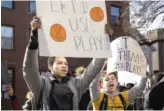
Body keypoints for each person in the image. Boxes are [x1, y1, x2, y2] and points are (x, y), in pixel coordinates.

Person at [22, 16, 106, 110]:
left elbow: (93, 70)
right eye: (59, 63)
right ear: (50, 66)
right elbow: (29, 69)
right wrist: (34, 39)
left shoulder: (76, 84)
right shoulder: (41, 84)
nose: (64, 66)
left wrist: (105, 43)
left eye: (66, 64)